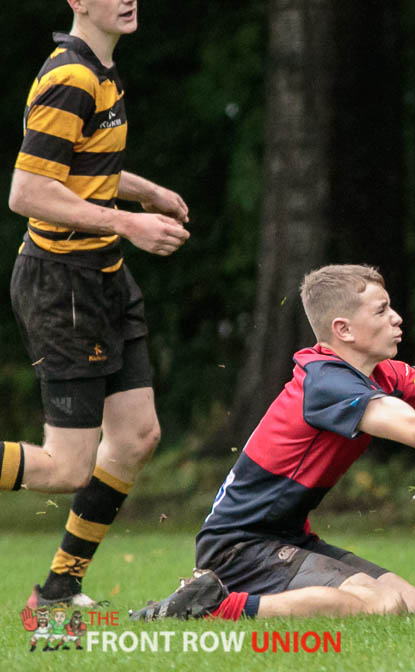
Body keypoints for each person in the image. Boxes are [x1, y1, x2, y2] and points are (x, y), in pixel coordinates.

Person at [132, 264, 415, 620]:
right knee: (381, 606)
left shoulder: (380, 372)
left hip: (285, 536)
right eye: (381, 311)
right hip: (240, 547)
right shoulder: (327, 383)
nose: (396, 318)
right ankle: (208, 606)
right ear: (343, 329)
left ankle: (215, 600)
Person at [4, 0, 193, 610]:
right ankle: (58, 592)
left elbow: (80, 170)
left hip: (104, 277)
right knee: (66, 468)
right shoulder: (71, 77)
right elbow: (28, 192)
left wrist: (149, 191)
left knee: (136, 435)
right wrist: (129, 225)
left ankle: (59, 589)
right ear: (78, 1)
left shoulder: (102, 70)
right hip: (63, 285)